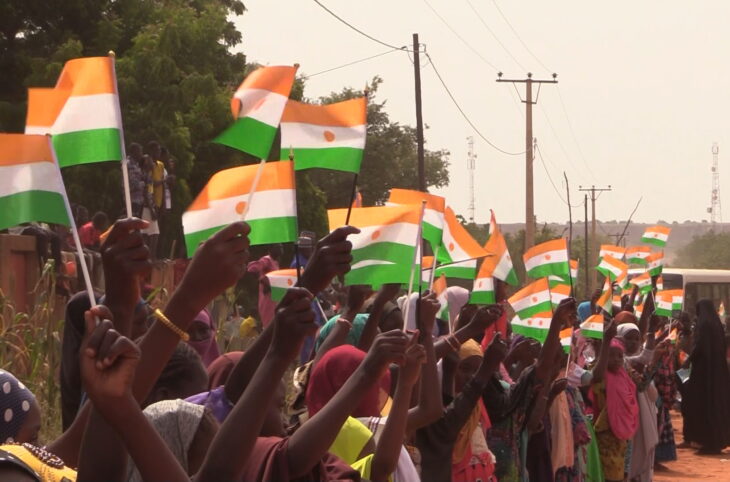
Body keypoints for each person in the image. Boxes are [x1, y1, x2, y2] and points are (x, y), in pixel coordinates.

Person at [591, 320, 639, 482]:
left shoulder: (625, 378)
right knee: (607, 470)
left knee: (619, 471)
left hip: (622, 436)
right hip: (605, 433)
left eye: (620, 355)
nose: (617, 359)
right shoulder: (601, 376)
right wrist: (605, 343)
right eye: (611, 355)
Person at [680, 299, 730, 454]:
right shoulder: (716, 326)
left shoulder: (703, 325)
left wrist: (688, 359)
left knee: (702, 405)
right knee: (715, 406)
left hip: (703, 375)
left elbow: (700, 346)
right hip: (717, 375)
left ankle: (707, 443)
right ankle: (714, 441)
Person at [247, 244, 283, 327]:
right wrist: (262, 280)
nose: (281, 248)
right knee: (270, 325)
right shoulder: (267, 259)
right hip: (268, 299)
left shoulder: (276, 263)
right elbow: (252, 268)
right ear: (270, 249)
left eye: (281, 247)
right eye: (278, 246)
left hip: (275, 299)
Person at [125, 143, 146, 218]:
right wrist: (144, 183)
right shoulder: (129, 164)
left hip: (139, 199)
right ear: (134, 152)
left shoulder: (136, 164)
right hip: (132, 200)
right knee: (133, 225)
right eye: (140, 151)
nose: (141, 154)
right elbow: (134, 184)